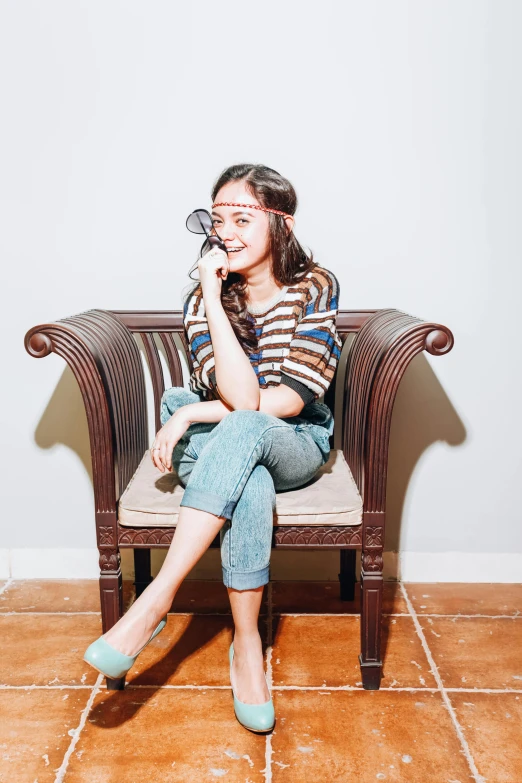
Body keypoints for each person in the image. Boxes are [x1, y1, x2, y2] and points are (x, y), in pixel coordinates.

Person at [83, 163, 342, 733]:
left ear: (283, 225)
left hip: (292, 441)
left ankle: (154, 602)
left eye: (242, 218)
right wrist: (208, 289)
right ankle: (248, 646)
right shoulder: (202, 298)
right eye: (216, 219)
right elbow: (244, 394)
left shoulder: (314, 286)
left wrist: (192, 413)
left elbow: (286, 401)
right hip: (224, 445)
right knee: (248, 475)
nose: (226, 231)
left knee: (244, 431)